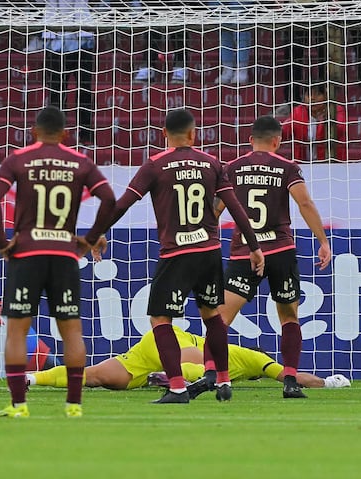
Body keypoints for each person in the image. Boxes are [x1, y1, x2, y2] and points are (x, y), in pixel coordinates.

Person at [105, 108, 264, 404]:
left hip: (177, 252)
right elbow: (235, 206)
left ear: (163, 134)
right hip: (209, 251)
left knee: (160, 319)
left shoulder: (154, 164)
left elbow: (124, 203)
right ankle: (223, 380)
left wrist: (97, 233)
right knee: (212, 315)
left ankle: (177, 387)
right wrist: (254, 246)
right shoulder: (212, 163)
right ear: (193, 134)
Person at [0, 105, 115, 418]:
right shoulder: (80, 161)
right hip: (63, 255)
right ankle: (74, 405)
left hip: (27, 253)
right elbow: (109, 198)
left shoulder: (18, 159)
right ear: (66, 133)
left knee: (17, 330)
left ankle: (19, 406)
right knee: (72, 331)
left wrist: (4, 244)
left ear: (33, 131)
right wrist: (89, 237)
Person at [214, 115, 332, 398]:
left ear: (250, 140)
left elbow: (215, 210)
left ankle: (218, 378)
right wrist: (323, 241)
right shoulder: (287, 167)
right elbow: (304, 202)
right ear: (277, 141)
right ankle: (290, 381)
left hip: (245, 251)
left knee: (221, 318)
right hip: (280, 250)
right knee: (289, 316)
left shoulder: (231, 168)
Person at [28, 325, 351, 391]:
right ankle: (174, 379)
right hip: (173, 346)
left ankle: (32, 378)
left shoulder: (246, 356)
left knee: (97, 375)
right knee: (198, 362)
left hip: (152, 347)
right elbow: (290, 377)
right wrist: (330, 382)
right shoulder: (251, 358)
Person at [40, 0, 98, 146]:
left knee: (84, 90)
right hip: (55, 39)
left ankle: (85, 136)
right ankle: (56, 135)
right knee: (56, 91)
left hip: (83, 38)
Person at [281, 83, 347, 162]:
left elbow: (340, 130)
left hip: (330, 162)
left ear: (326, 96)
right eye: (308, 95)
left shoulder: (336, 110)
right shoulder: (298, 112)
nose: (312, 98)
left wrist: (324, 120)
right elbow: (284, 132)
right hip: (303, 162)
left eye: (317, 94)